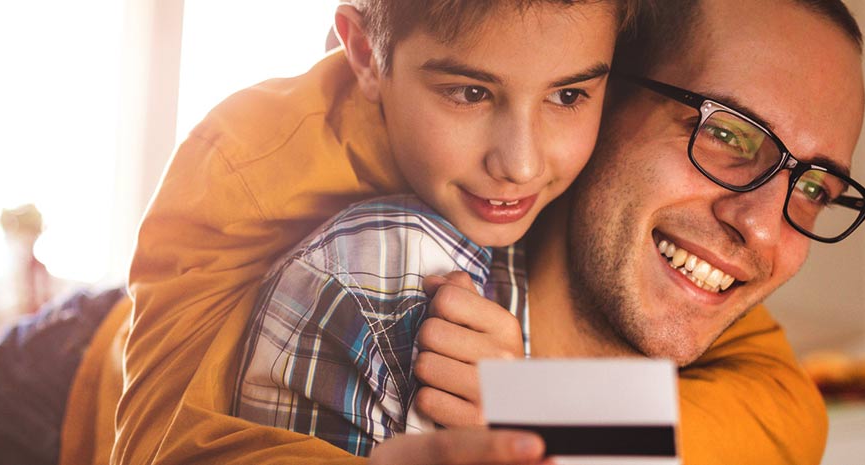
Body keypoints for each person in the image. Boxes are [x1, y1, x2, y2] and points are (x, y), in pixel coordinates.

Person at [62, 0, 865, 464]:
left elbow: (785, 418)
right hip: (70, 375)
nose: (761, 224)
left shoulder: (701, 272)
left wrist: (537, 403)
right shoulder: (266, 158)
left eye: (817, 186)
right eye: (728, 133)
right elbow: (161, 444)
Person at [230, 0, 630, 453]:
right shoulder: (368, 286)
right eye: (471, 93)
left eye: (568, 96)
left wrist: (536, 406)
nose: (521, 166)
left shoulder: (553, 220)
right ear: (365, 52)